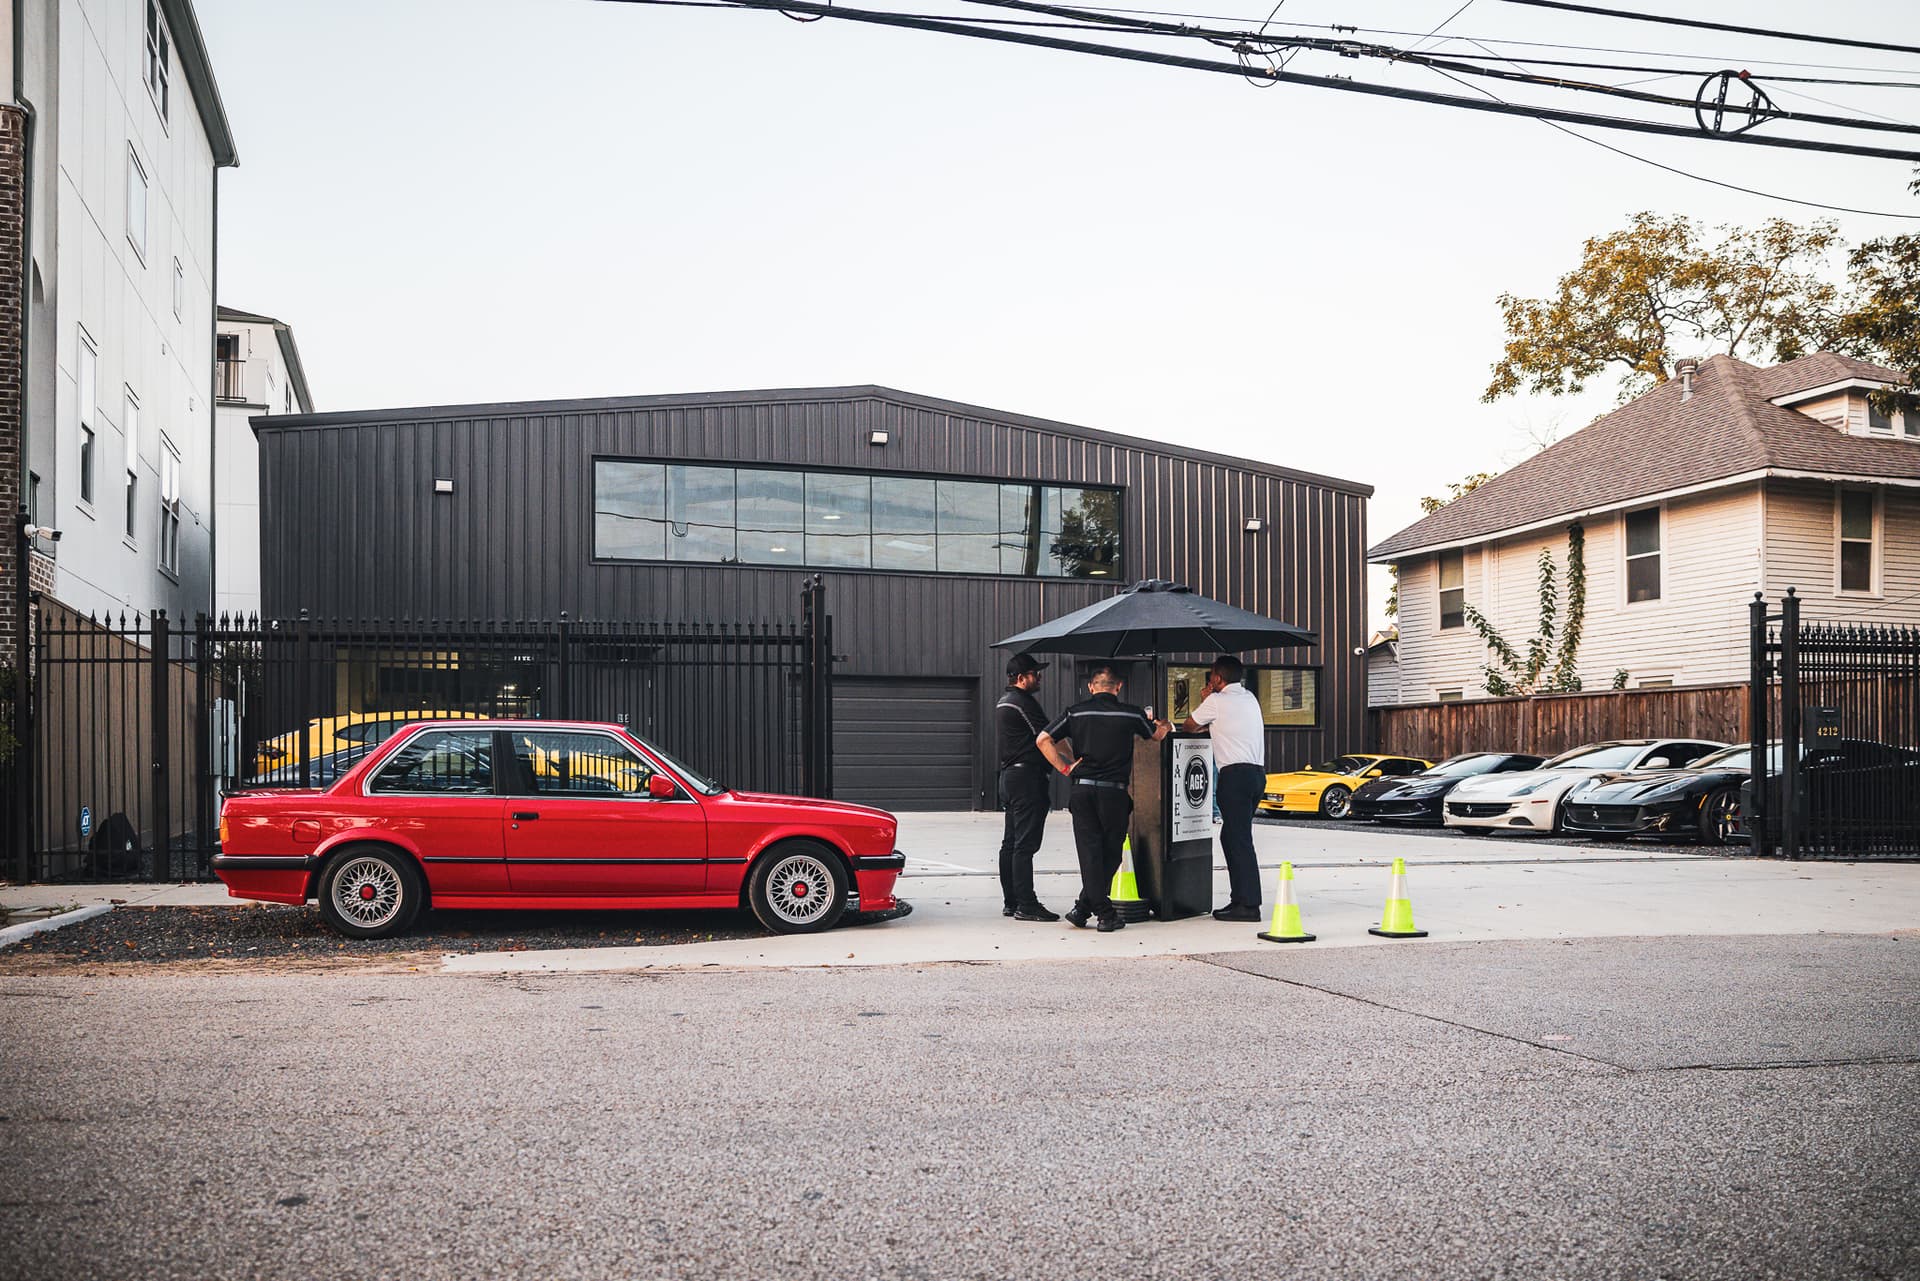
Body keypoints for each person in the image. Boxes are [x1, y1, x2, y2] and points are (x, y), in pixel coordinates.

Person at [1036, 664, 1170, 932]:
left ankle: (1083, 908)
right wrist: (1164, 724)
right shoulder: (1130, 713)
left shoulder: (1075, 712)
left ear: (1091, 687)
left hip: (1082, 790)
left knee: (1089, 853)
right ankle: (1105, 914)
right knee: (1111, 853)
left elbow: (1043, 739)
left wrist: (1065, 767)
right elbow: (1156, 736)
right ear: (1118, 687)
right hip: (1114, 793)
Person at [1182, 655, 1267, 921]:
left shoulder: (1217, 701)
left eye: (1211, 675)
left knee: (1238, 839)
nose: (1210, 679)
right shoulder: (1250, 698)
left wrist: (1206, 699)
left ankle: (1249, 905)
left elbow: (1189, 725)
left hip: (1235, 776)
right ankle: (1239, 899)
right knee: (1231, 836)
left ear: (1218, 678)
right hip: (1257, 775)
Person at [994, 653, 1060, 922]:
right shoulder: (1023, 702)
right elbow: (1048, 737)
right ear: (1021, 678)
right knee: (1024, 845)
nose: (1039, 677)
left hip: (1010, 777)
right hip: (1027, 779)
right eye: (1035, 674)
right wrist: (1068, 765)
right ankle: (1027, 904)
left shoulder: (1004, 701)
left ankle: (1011, 902)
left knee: (1010, 842)